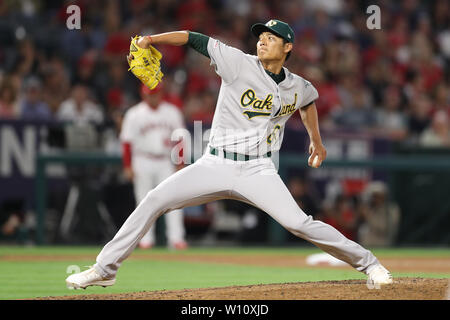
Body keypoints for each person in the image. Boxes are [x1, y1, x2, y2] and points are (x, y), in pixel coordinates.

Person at [66, 19, 393, 289]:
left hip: (259, 170)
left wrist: (316, 141)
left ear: (288, 47)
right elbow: (194, 38)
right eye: (261, 37)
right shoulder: (237, 62)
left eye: (271, 38)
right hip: (215, 163)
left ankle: (371, 265)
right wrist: (152, 38)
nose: (262, 42)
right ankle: (105, 269)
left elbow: (306, 102)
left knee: (300, 224)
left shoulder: (299, 85)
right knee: (153, 199)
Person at [120, 83, 188, 250]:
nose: (153, 97)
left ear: (161, 94)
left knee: (173, 200)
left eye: (155, 94)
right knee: (143, 201)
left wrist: (180, 163)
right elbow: (126, 142)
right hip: (142, 160)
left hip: (165, 161)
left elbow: (180, 139)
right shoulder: (134, 114)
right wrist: (128, 166)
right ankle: (145, 241)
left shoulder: (172, 112)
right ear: (143, 95)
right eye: (150, 94)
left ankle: (176, 238)